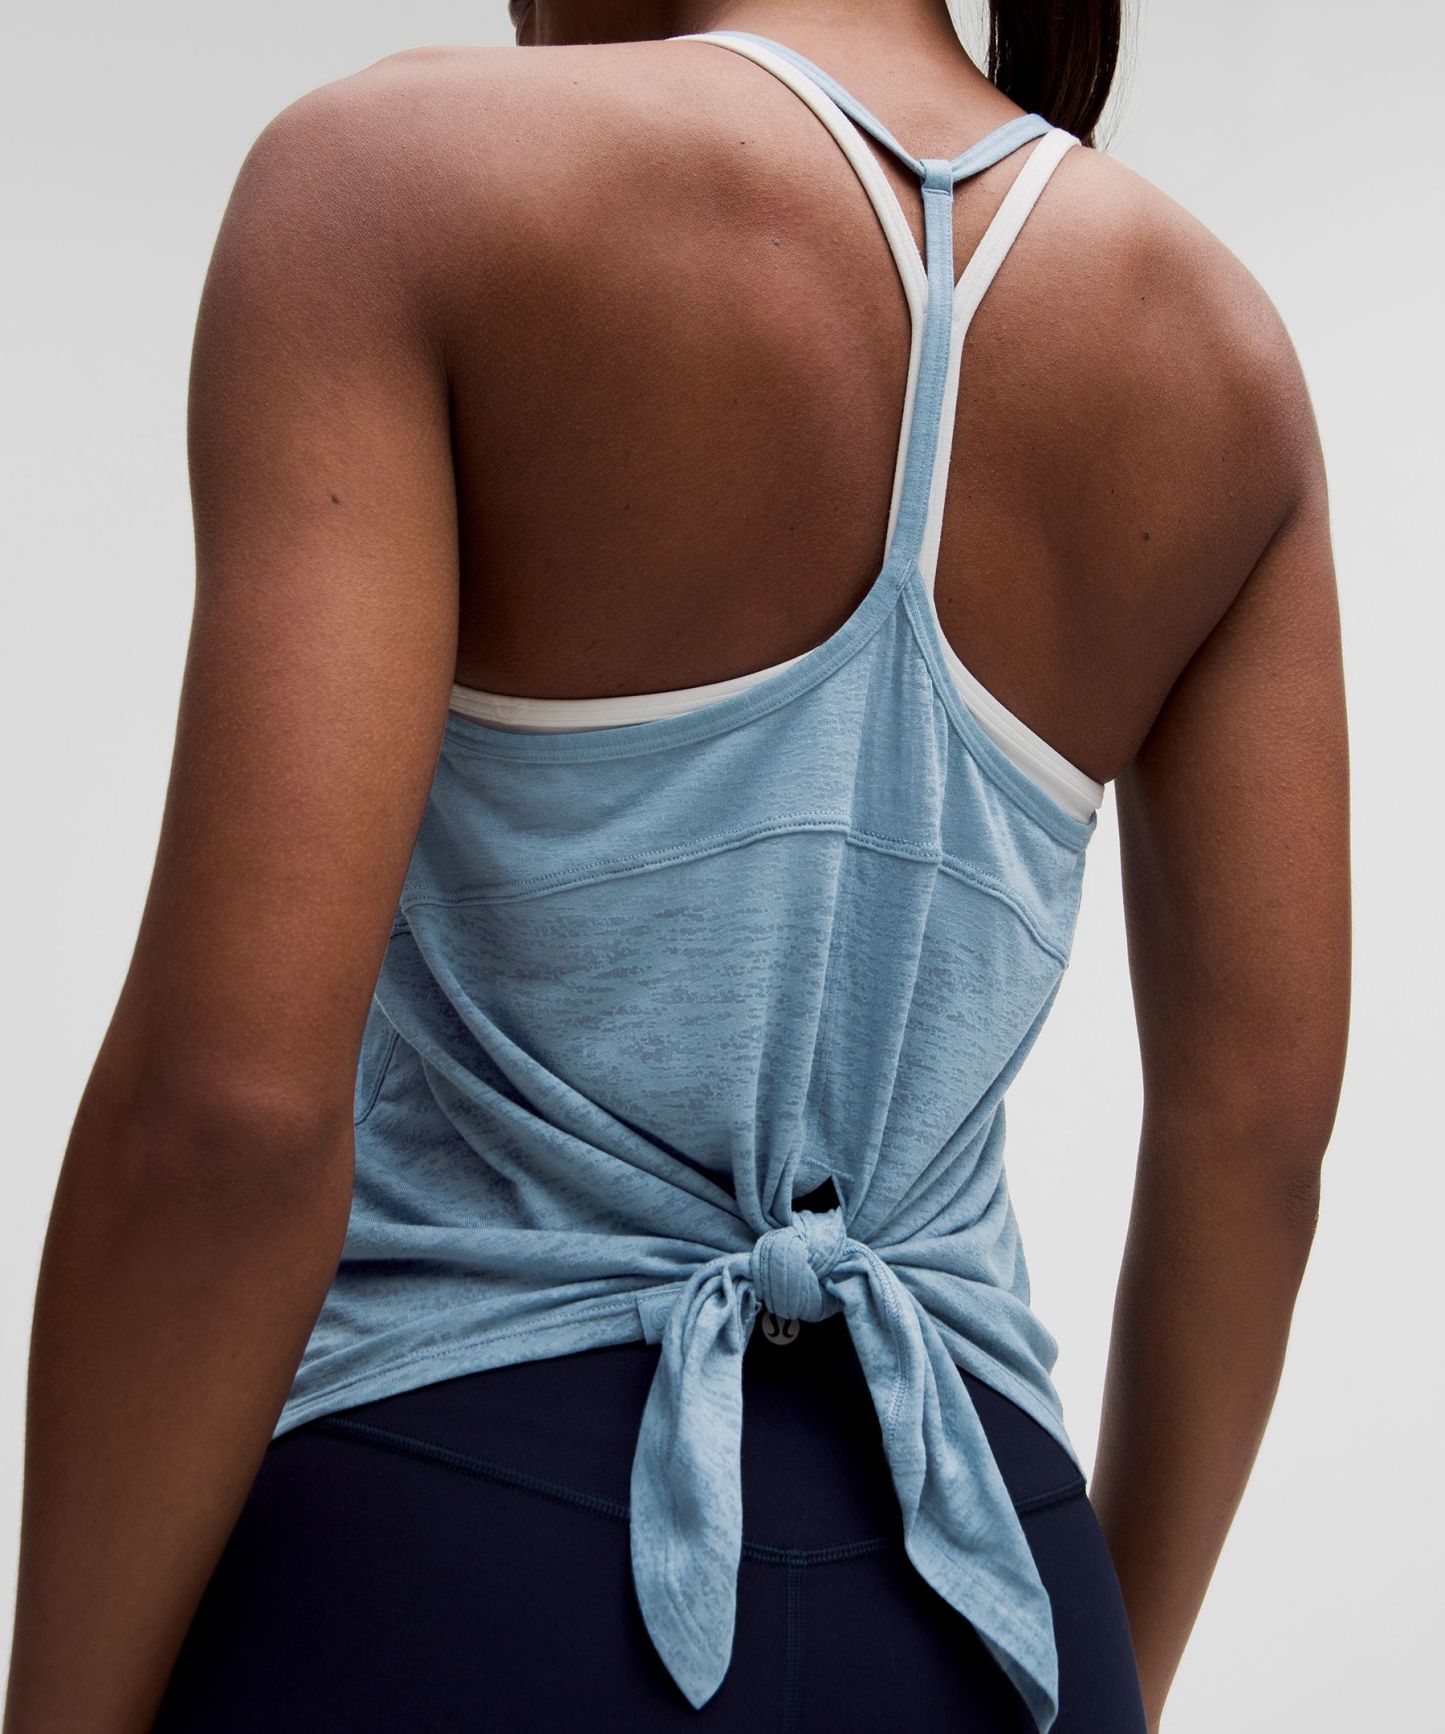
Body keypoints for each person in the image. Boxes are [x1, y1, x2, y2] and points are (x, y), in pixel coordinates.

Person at [3, 1, 1350, 1731]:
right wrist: (1098, 1680)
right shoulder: (1228, 361)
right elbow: (1256, 1149)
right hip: (987, 1603)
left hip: (454, 1567)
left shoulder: (394, 185)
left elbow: (232, 1120)